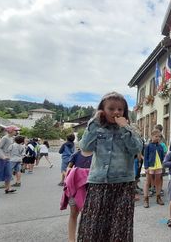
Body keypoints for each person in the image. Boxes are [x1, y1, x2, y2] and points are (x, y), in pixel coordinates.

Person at [76, 91, 143, 242]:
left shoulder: (131, 129)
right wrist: (94, 122)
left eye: (120, 109)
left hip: (123, 184)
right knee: (94, 226)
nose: (116, 112)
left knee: (119, 228)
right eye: (111, 109)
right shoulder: (96, 128)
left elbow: (136, 149)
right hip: (99, 183)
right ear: (102, 111)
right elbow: (85, 147)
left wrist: (125, 128)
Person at [61, 150, 93, 242]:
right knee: (73, 213)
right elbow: (68, 168)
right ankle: (71, 239)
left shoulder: (97, 153)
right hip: (75, 189)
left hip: (91, 190)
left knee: (89, 215)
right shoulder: (76, 154)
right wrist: (73, 173)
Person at [143, 129, 165, 207]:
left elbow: (162, 156)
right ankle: (146, 199)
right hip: (150, 166)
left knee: (158, 181)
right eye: (156, 136)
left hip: (158, 166)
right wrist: (146, 167)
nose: (157, 138)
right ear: (151, 136)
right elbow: (145, 157)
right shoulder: (148, 146)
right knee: (147, 182)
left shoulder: (160, 146)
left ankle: (158, 197)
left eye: (159, 137)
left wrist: (162, 165)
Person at [0, 125, 20, 193]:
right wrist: (3, 156)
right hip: (0, 159)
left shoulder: (12, 138)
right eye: (15, 130)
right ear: (11, 131)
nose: (17, 131)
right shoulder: (5, 138)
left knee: (8, 174)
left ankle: (8, 188)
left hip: (8, 159)